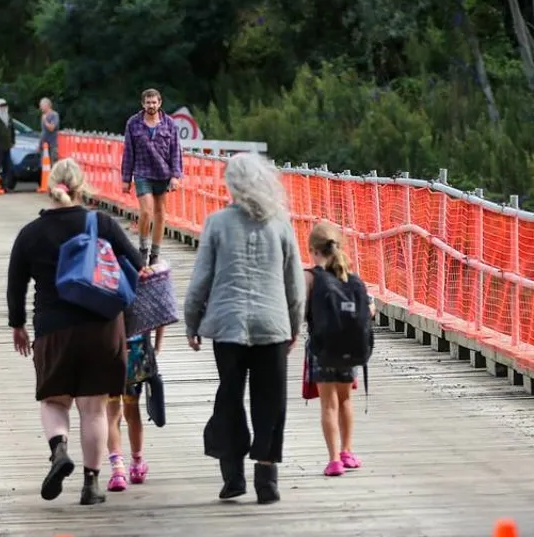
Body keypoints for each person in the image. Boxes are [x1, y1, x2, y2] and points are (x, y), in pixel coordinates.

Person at [6, 158, 145, 506]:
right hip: (102, 328)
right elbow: (137, 264)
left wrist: (17, 325)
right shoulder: (101, 223)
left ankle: (59, 449)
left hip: (53, 331)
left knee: (54, 400)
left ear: (50, 187)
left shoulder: (30, 234)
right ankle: (91, 485)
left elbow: (15, 285)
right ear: (82, 187)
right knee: (94, 409)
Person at [183, 152, 303, 505]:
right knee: (271, 400)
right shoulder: (280, 224)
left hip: (227, 325)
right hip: (272, 325)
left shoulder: (217, 223)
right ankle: (267, 478)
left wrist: (192, 321)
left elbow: (200, 279)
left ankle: (233, 474)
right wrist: (294, 324)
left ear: (231, 184)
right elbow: (295, 284)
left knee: (230, 395)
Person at [304, 221, 375, 477]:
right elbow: (369, 310)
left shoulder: (311, 277)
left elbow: (301, 309)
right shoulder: (350, 275)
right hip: (349, 348)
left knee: (328, 404)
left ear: (313, 250)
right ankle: (347, 452)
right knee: (345, 400)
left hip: (322, 349)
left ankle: (334, 460)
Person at [120, 88, 183, 266]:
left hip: (163, 173)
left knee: (160, 214)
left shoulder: (169, 124)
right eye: (148, 102)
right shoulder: (133, 123)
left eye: (154, 102)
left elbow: (176, 151)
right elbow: (128, 152)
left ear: (159, 103)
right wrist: (126, 179)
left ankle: (155, 253)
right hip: (142, 172)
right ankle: (142, 249)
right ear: (143, 104)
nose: (151, 105)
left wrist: (176, 175)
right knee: (146, 211)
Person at [105, 320, 165, 492]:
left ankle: (117, 471)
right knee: (132, 411)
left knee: (112, 414)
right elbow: (161, 313)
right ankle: (137, 465)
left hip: (109, 350)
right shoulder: (142, 298)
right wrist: (156, 346)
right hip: (136, 353)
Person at [39, 97, 60, 163]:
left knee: (53, 164)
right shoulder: (43, 115)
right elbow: (43, 131)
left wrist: (45, 120)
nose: (40, 108)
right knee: (44, 165)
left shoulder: (54, 115)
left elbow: (52, 128)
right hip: (44, 145)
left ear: (47, 105)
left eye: (41, 106)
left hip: (52, 145)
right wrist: (40, 144)